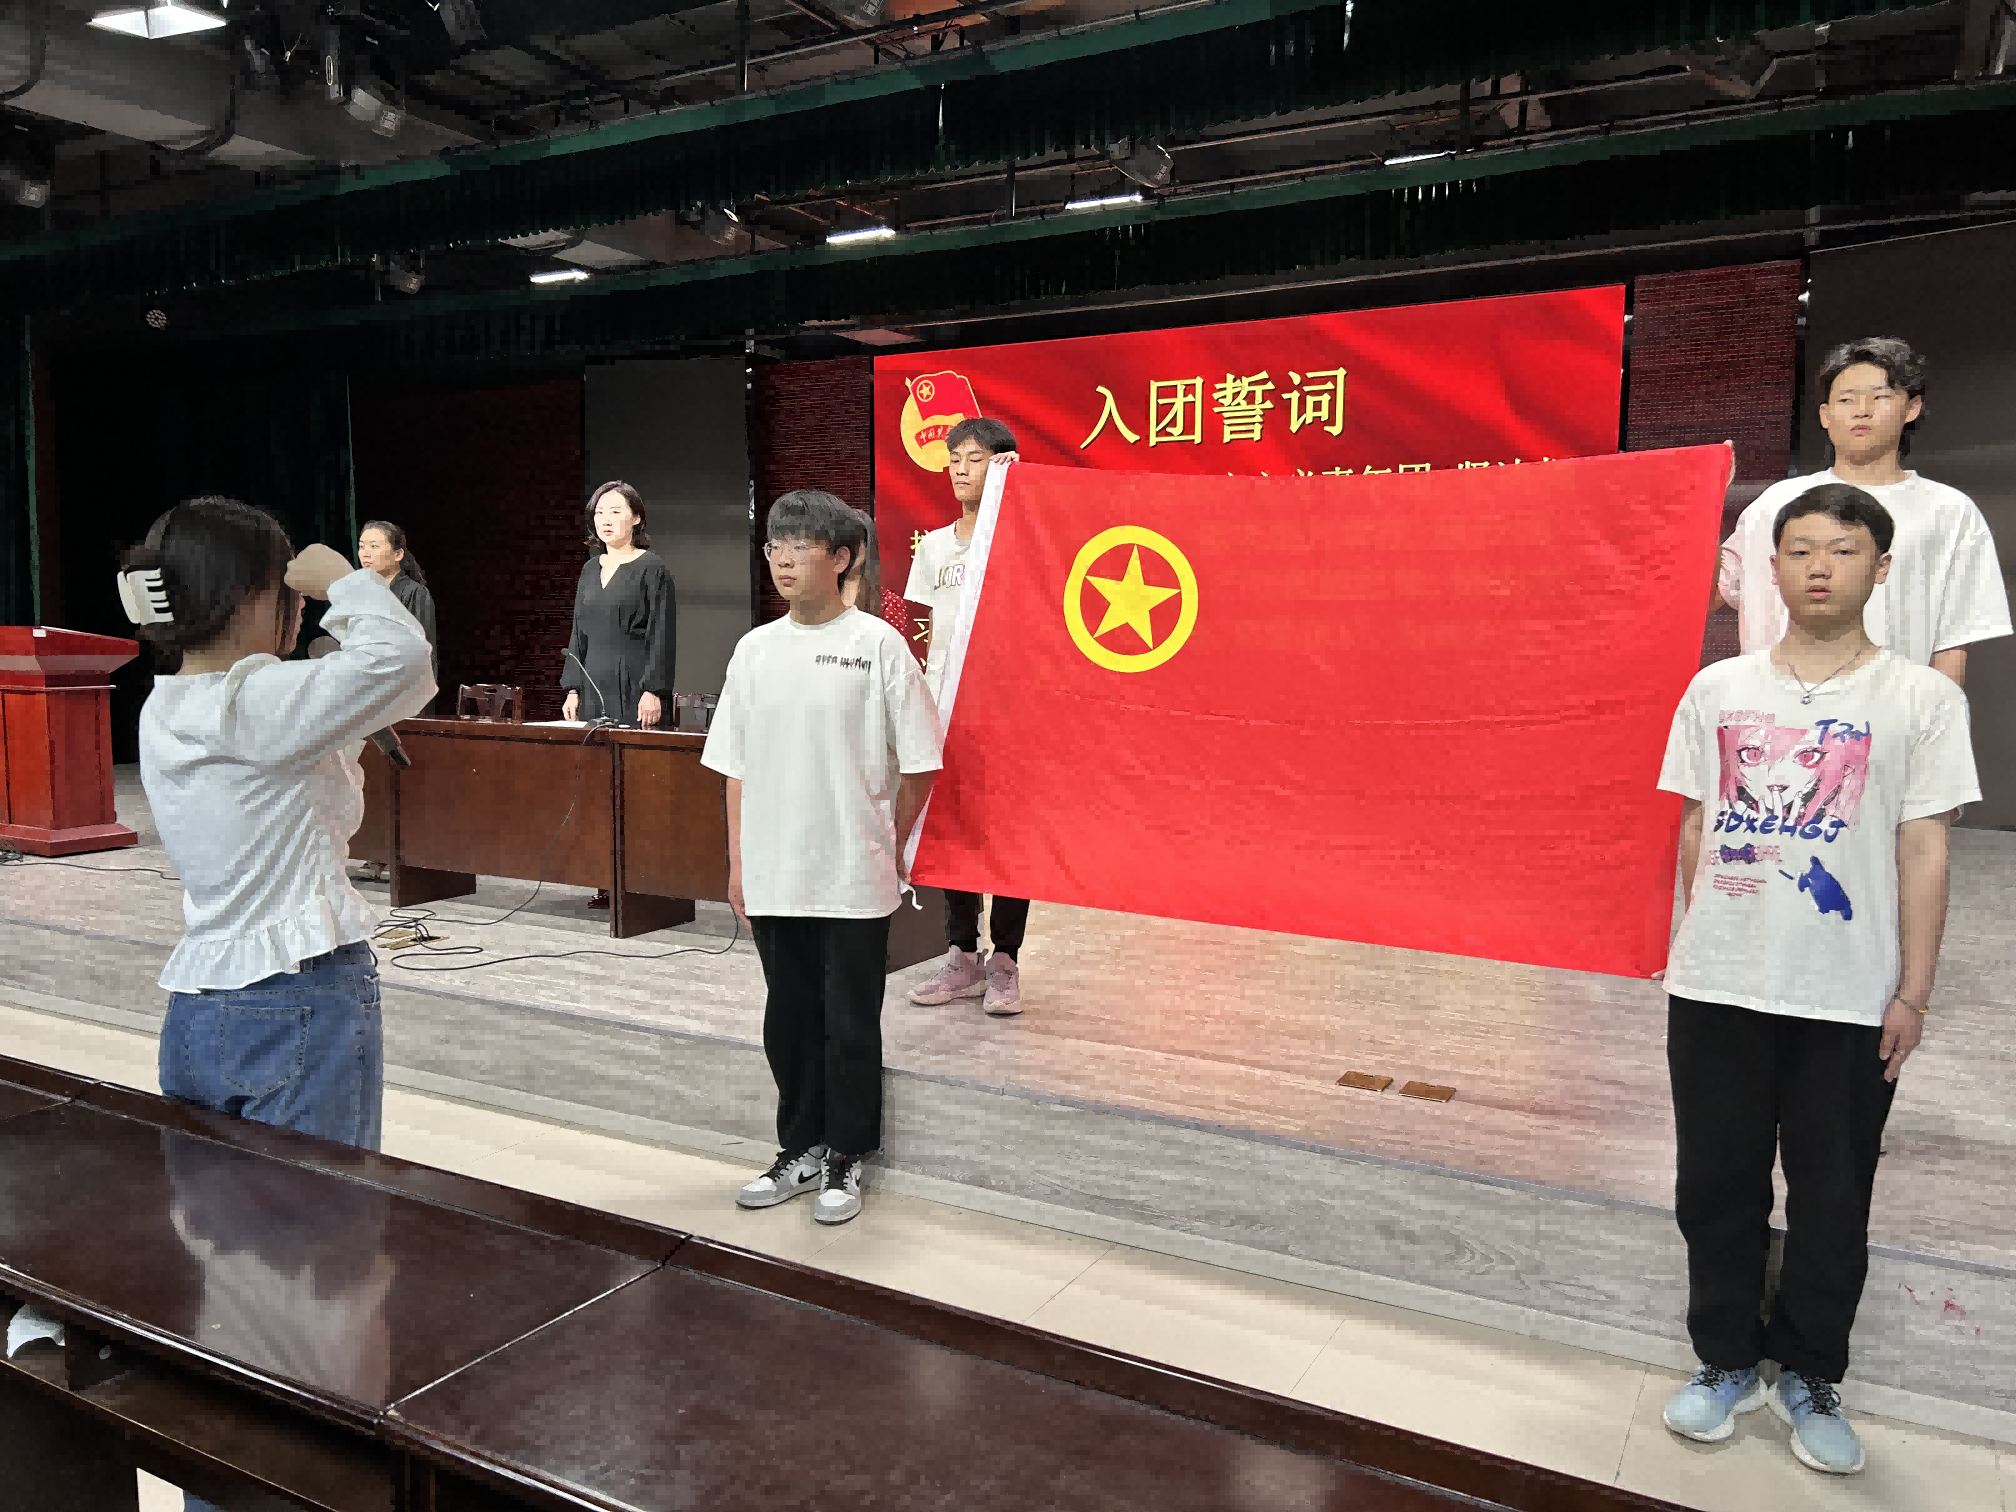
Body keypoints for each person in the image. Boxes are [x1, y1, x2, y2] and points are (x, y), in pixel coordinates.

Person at [1657, 483, 1978, 1476]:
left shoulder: (1922, 700)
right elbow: (1696, 824)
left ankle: (1810, 1371)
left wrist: (1913, 990)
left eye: (1841, 550)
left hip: (1848, 994)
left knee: (1834, 1195)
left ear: (1881, 569)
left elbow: (1925, 848)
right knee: (1716, 1183)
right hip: (1717, 989)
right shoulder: (1719, 688)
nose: (1819, 568)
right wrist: (1701, 940)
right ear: (1773, 569)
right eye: (1799, 551)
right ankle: (1724, 1357)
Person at [119, 498, 433, 1142]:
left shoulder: (166, 707)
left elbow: (276, 769)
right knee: (317, 1203)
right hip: (297, 996)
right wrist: (348, 584)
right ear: (248, 598)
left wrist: (343, 716)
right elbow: (402, 657)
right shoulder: (259, 702)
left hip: (198, 1009)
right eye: (286, 586)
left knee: (215, 1200)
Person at [704, 490, 941, 1226]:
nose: (782, 559)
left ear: (842, 558)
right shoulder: (754, 649)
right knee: (788, 1019)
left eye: (800, 546)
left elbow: (922, 763)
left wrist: (888, 838)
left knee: (850, 1020)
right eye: (774, 545)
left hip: (852, 871)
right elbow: (735, 767)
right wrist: (738, 864)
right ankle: (798, 1147)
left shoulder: (878, 645)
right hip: (774, 870)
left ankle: (847, 1153)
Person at [1719, 337, 2010, 686]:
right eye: (1846, 399)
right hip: (1771, 707)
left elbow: (1952, 643)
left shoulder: (1949, 511)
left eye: (1879, 397)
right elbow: (1706, 596)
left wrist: (1942, 714)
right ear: (1825, 415)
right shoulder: (1775, 502)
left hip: (1888, 707)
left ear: (1912, 407)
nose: (1862, 410)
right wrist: (1706, 501)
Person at [903, 416, 1029, 1016]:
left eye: (975, 458)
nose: (959, 469)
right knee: (952, 827)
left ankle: (1005, 959)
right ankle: (961, 955)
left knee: (1008, 834)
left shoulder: (1022, 539)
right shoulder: (932, 546)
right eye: (954, 458)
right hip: (945, 709)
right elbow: (921, 630)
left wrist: (1021, 489)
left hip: (1007, 710)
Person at [561, 480, 677, 907]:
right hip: (594, 683)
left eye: (615, 511)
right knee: (597, 783)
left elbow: (662, 635)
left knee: (633, 784)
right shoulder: (589, 570)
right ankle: (605, 880)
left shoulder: (653, 568)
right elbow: (577, 632)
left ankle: (642, 883)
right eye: (599, 512)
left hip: (634, 683)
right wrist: (573, 687)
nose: (605, 520)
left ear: (637, 517)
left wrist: (653, 690)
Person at [354, 519, 438, 883]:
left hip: (403, 700)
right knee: (370, 778)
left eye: (374, 546)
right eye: (362, 546)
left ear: (398, 553)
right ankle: (375, 853)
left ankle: (405, 856)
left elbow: (422, 653)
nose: (366, 553)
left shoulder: (414, 594)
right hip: (366, 699)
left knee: (401, 782)